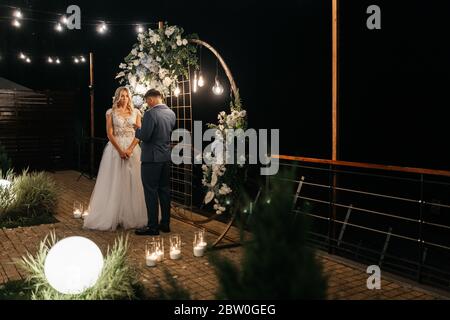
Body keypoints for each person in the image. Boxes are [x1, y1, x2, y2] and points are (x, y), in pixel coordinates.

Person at [83, 87, 147, 231]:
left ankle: (131, 216)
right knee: (115, 181)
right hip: (115, 149)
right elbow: (109, 133)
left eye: (126, 96)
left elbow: (139, 133)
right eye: (121, 96)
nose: (124, 99)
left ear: (129, 97)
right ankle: (113, 215)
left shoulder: (136, 112)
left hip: (132, 149)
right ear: (117, 97)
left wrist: (130, 149)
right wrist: (120, 150)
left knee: (133, 182)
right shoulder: (110, 112)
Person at [134, 89, 176, 236]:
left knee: (150, 192)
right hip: (165, 157)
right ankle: (165, 224)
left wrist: (137, 129)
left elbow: (145, 136)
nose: (147, 104)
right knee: (164, 191)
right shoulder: (171, 113)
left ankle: (152, 227)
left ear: (151, 99)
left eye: (146, 101)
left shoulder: (151, 113)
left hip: (151, 159)